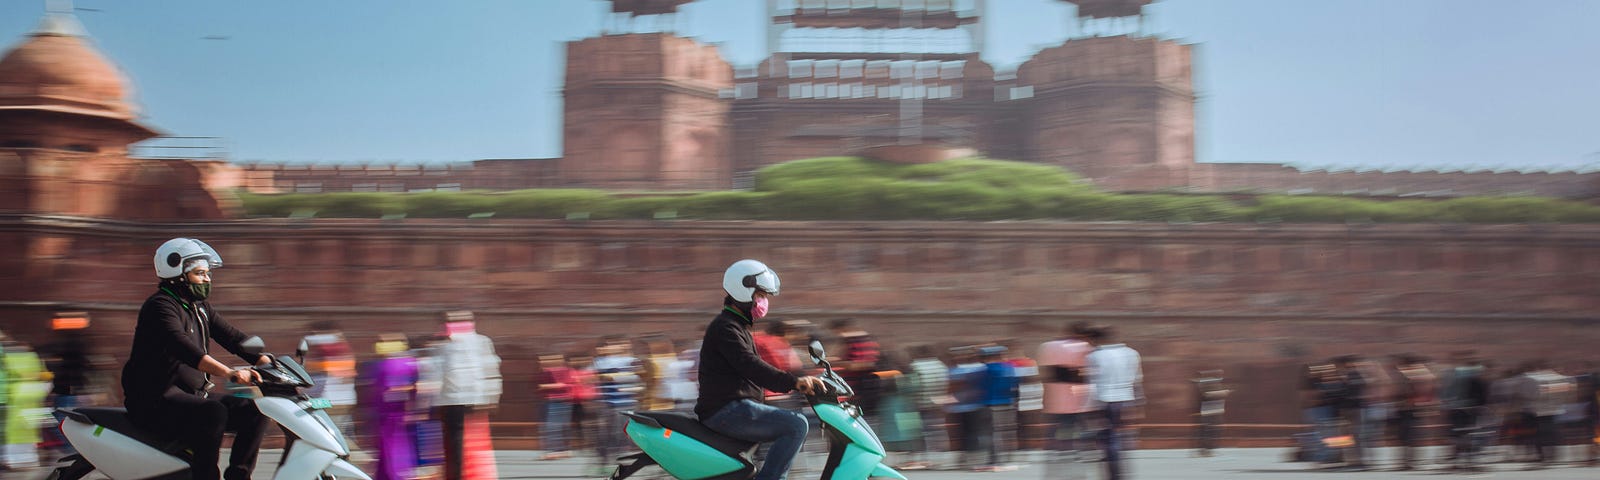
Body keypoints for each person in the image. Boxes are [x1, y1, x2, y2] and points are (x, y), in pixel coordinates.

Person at [121, 238, 271, 480]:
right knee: (213, 412)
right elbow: (184, 348)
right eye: (200, 273)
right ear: (177, 272)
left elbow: (232, 337)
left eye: (208, 273)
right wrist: (230, 373)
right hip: (155, 400)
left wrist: (269, 362)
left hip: (189, 396)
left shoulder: (199, 307)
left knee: (256, 410)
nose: (207, 279)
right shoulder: (160, 306)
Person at [696, 259, 823, 480]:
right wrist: (793, 382)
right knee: (795, 425)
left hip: (735, 407)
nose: (764, 301)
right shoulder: (726, 327)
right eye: (761, 295)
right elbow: (749, 365)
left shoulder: (737, 325)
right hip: (726, 410)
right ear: (743, 291)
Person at [433, 311, 502, 480]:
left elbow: (438, 373)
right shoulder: (481, 341)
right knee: (469, 443)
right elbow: (491, 368)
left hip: (457, 400)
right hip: (469, 399)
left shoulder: (446, 344)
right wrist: (493, 396)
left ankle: (459, 476)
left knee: (458, 444)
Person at [1085, 326, 1142, 480]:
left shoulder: (1095, 356)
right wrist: (1139, 403)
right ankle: (1120, 472)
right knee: (1122, 437)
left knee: (1109, 439)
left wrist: (1090, 407)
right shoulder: (1132, 353)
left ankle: (1114, 474)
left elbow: (1092, 383)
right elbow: (1137, 381)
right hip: (1126, 399)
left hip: (1105, 400)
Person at [367, 334, 420, 480]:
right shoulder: (402, 362)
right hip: (387, 412)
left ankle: (393, 475)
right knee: (388, 448)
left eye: (383, 342)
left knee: (393, 448)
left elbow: (410, 387)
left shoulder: (395, 363)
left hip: (393, 412)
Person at [1192, 369, 1229, 457]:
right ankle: (1207, 449)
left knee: (1208, 431)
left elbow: (1202, 399)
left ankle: (1206, 449)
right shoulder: (1213, 386)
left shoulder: (1206, 387)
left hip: (1209, 412)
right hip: (1212, 412)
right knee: (1210, 431)